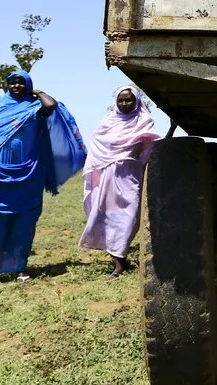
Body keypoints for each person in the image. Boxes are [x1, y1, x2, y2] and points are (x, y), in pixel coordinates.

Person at [0, 70, 86, 289]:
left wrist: (37, 92)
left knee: (24, 225)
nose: (17, 86)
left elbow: (51, 106)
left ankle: (19, 267)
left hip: (28, 175)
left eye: (21, 83)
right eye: (13, 83)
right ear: (7, 86)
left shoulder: (35, 107)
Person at [79, 86, 176, 278]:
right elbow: (96, 148)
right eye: (121, 100)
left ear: (136, 101)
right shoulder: (107, 123)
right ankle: (119, 263)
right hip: (106, 179)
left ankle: (120, 258)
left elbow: (155, 149)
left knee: (128, 219)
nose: (124, 103)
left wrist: (172, 128)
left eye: (128, 100)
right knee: (105, 217)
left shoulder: (144, 122)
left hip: (129, 180)